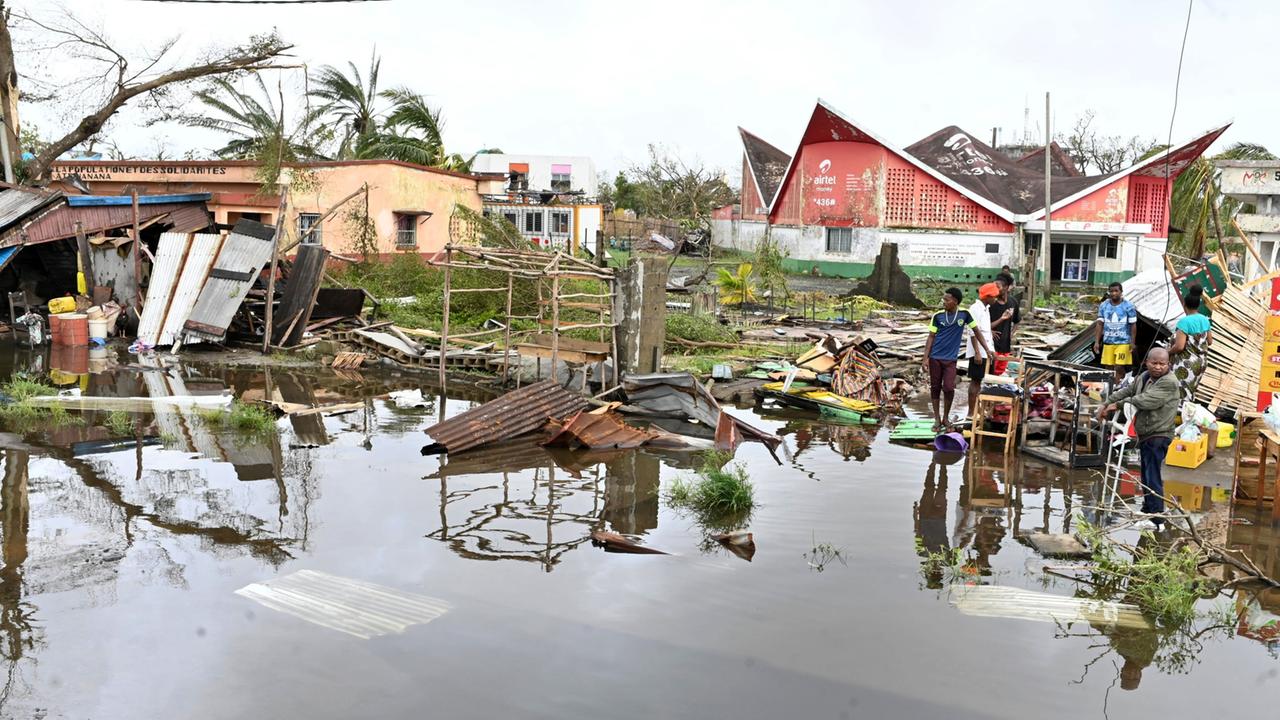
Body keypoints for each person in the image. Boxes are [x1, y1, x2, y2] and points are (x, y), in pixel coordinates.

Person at [1097, 348, 1179, 529]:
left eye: (1162, 364)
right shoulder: (1143, 377)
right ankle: (1147, 508)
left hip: (1160, 433)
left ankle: (1157, 519)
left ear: (1168, 365)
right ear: (1147, 363)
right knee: (1146, 475)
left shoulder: (1169, 382)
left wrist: (1116, 405)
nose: (1158, 367)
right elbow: (1127, 390)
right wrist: (1105, 403)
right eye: (1154, 363)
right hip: (1147, 433)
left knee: (1153, 476)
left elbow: (1147, 400)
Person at [921, 288, 993, 432]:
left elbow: (977, 332)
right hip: (935, 357)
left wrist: (986, 349)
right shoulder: (938, 316)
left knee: (948, 387)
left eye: (947, 300)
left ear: (955, 301)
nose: (944, 302)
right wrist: (925, 358)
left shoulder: (964, 314)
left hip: (951, 360)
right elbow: (931, 337)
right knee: (935, 387)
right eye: (944, 299)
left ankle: (945, 417)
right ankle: (937, 419)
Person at [1168, 284, 1212, 403]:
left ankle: (1179, 416)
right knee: (1191, 391)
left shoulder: (1184, 322)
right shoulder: (1205, 319)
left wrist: (1167, 352)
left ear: (1184, 305)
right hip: (1201, 363)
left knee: (1180, 392)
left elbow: (1179, 346)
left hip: (1186, 363)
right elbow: (1210, 341)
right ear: (1198, 305)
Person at [966, 283, 1005, 411]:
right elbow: (972, 332)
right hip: (979, 352)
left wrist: (992, 351)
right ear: (987, 296)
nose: (995, 299)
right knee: (976, 381)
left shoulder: (986, 309)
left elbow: (987, 332)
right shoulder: (975, 309)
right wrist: (977, 352)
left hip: (987, 351)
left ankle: (983, 411)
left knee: (987, 381)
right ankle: (971, 412)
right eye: (994, 297)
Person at [1093, 282, 1137, 382]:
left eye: (1116, 291)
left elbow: (1133, 325)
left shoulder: (1128, 306)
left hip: (1123, 342)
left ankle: (1118, 384)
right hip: (1108, 342)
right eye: (1111, 291)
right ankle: (1110, 386)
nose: (1113, 293)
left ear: (1121, 292)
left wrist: (1132, 342)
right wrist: (1096, 341)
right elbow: (1099, 324)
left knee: (1118, 366)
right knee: (1108, 367)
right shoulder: (1104, 305)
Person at [989, 272, 1021, 373]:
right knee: (990, 372)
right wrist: (989, 330)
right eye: (994, 286)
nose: (995, 289)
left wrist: (1011, 333)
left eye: (998, 287)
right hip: (991, 345)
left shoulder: (1013, 302)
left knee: (1000, 372)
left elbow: (1017, 321)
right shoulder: (991, 303)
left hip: (1005, 345)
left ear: (1006, 287)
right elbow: (981, 324)